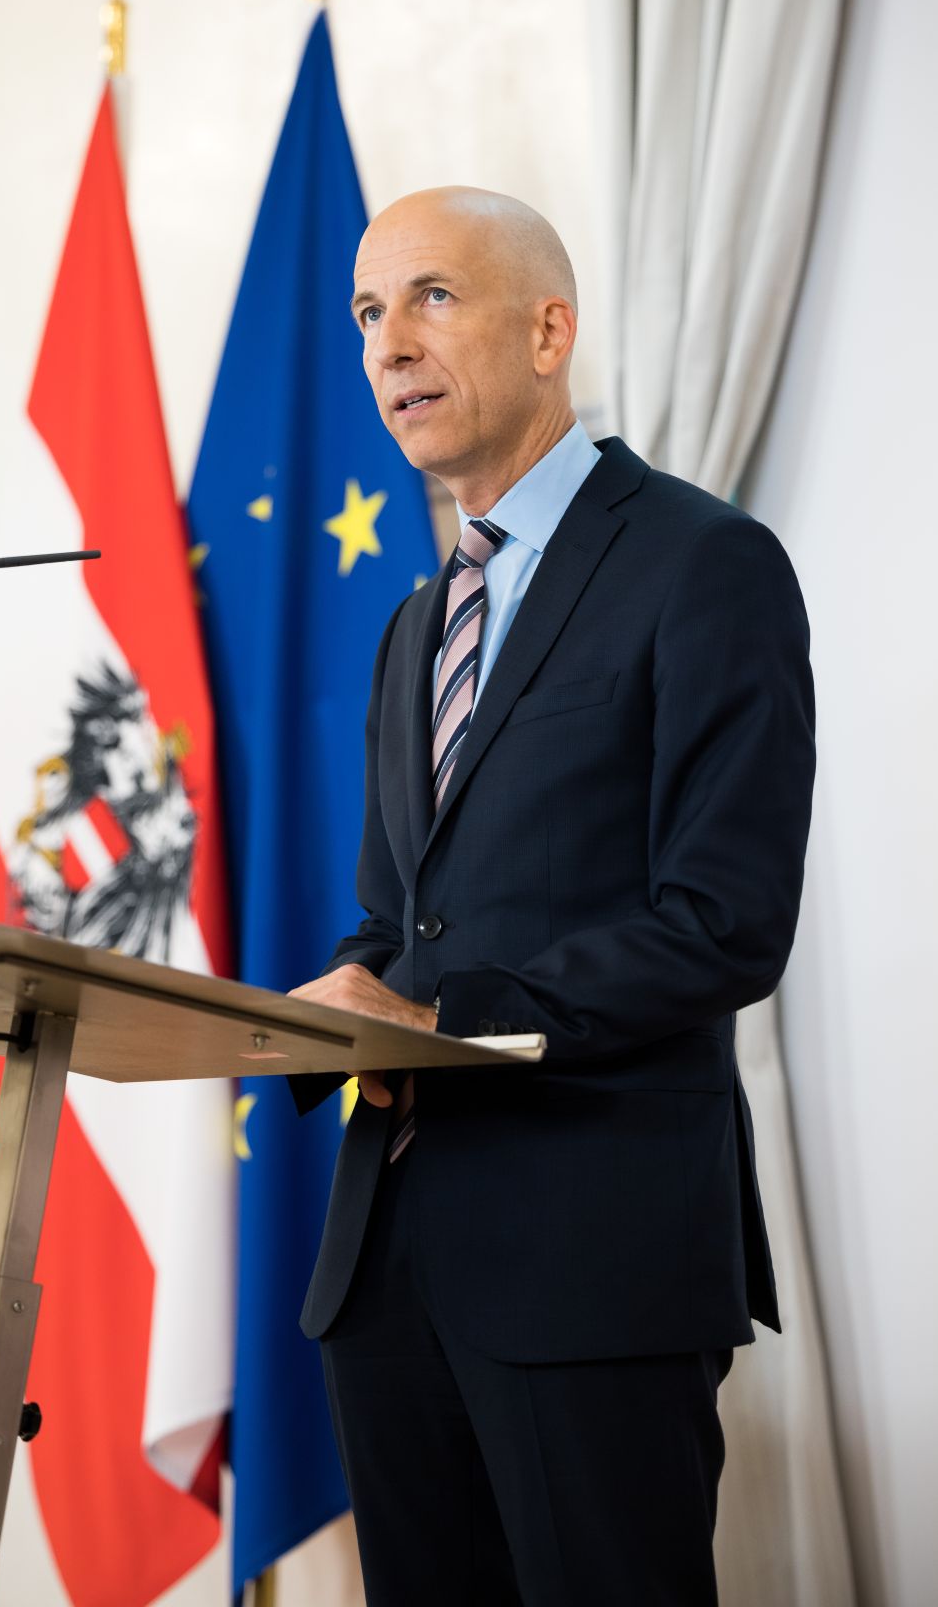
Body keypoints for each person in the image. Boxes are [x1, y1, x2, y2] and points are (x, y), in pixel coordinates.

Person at [288, 187, 815, 1606]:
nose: (388, 341)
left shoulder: (703, 566)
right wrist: (319, 1007)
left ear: (548, 329)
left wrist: (441, 1012)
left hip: (590, 1257)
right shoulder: (416, 623)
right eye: (365, 312)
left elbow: (725, 918)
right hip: (386, 1265)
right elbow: (399, 915)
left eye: (430, 297)